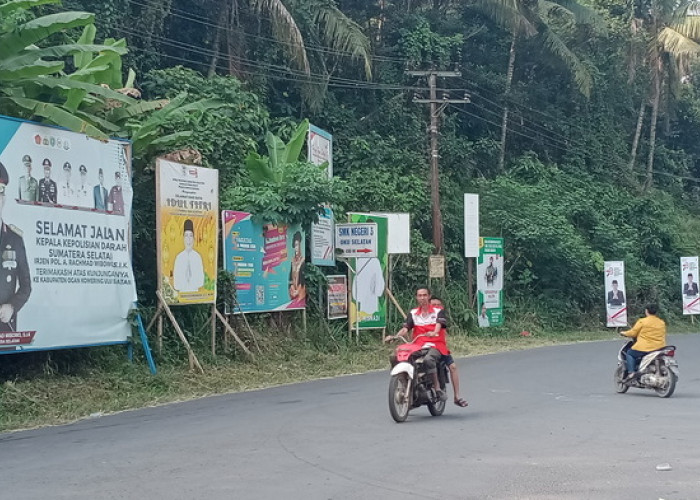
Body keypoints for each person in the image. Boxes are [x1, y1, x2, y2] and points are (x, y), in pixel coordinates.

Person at [384, 287, 448, 402]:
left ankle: (437, 388)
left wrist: (434, 332)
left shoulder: (438, 311)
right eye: (420, 295)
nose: (422, 298)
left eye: (424, 295)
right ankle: (402, 379)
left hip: (435, 344)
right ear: (416, 297)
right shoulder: (413, 313)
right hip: (417, 345)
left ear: (429, 296)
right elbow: (405, 328)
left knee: (429, 360)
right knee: (397, 355)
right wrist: (395, 336)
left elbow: (439, 325)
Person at [0, 162, 31, 332]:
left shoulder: (15, 239)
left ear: (3, 199)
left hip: (5, 325)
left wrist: (12, 307)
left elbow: (26, 286)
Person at [430, 296, 468, 407]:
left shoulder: (441, 317)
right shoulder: (421, 316)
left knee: (453, 367)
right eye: (433, 305)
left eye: (438, 305)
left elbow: (439, 328)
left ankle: (457, 396)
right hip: (421, 346)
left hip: (439, 347)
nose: (436, 307)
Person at [621, 304, 666, 381]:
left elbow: (633, 333)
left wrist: (623, 333)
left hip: (645, 348)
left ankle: (631, 372)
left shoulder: (642, 321)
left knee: (630, 353)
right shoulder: (661, 322)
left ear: (646, 311)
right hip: (660, 347)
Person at [173, 219, 204, 292]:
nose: (189, 240)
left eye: (191, 236)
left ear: (193, 238)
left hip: (195, 294)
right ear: (183, 238)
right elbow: (176, 284)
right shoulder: (179, 257)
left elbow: (201, 282)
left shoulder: (197, 257)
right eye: (186, 236)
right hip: (182, 294)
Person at [288, 231, 306, 303]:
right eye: (295, 245)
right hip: (293, 293)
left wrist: (298, 291)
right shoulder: (292, 261)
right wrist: (292, 288)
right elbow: (290, 278)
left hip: (301, 293)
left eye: (298, 245)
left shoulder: (303, 261)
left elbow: (303, 280)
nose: (296, 248)